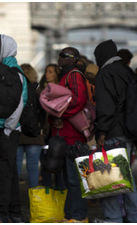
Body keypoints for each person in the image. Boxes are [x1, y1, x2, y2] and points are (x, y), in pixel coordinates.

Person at [94, 39, 137, 223]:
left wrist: (102, 132)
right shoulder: (126, 72)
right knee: (125, 177)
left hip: (112, 132)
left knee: (107, 178)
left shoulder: (105, 74)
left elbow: (106, 107)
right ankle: (135, 217)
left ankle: (112, 218)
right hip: (128, 130)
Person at [0, 34, 26, 223]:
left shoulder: (12, 71)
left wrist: (9, 128)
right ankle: (15, 213)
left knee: (4, 173)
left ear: (4, 50)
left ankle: (2, 214)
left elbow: (19, 103)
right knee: (10, 173)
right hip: (7, 129)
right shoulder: (8, 69)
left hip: (9, 130)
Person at [51, 47, 88, 223]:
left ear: (74, 59)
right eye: (59, 55)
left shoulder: (74, 75)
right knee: (69, 180)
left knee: (75, 180)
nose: (60, 58)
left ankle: (79, 217)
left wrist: (60, 114)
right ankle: (70, 215)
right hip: (67, 136)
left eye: (64, 56)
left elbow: (78, 100)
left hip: (74, 138)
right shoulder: (66, 76)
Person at [16, 64, 45, 189]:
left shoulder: (16, 91)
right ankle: (33, 197)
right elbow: (45, 114)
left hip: (17, 133)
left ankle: (14, 197)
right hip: (35, 134)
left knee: (15, 166)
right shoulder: (39, 93)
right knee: (33, 167)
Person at [38, 64, 65, 189]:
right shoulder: (40, 90)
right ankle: (47, 193)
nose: (47, 74)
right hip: (44, 131)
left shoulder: (61, 91)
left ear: (56, 74)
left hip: (56, 131)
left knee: (58, 164)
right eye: (46, 71)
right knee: (45, 164)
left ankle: (60, 193)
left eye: (50, 71)